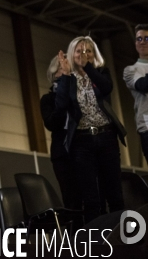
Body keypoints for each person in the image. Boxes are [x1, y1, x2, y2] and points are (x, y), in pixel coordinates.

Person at [55, 36, 126, 222]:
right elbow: (60, 105)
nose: (83, 54)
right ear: (72, 54)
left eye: (88, 51)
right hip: (82, 142)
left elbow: (107, 87)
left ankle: (125, 241)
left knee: (115, 194)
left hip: (107, 137)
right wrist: (65, 75)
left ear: (94, 54)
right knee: (91, 199)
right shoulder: (68, 79)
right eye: (79, 51)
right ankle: (96, 245)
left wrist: (88, 67)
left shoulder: (101, 72)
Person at [40, 55, 81, 210]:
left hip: (83, 149)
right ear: (53, 74)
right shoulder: (47, 99)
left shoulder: (78, 94)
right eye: (61, 68)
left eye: (67, 68)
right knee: (71, 200)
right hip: (62, 155)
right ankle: (77, 234)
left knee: (91, 197)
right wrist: (62, 97)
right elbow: (51, 124)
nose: (64, 71)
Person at [123, 24, 148, 165]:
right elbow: (143, 85)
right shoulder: (131, 70)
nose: (143, 41)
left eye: (146, 38)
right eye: (139, 39)